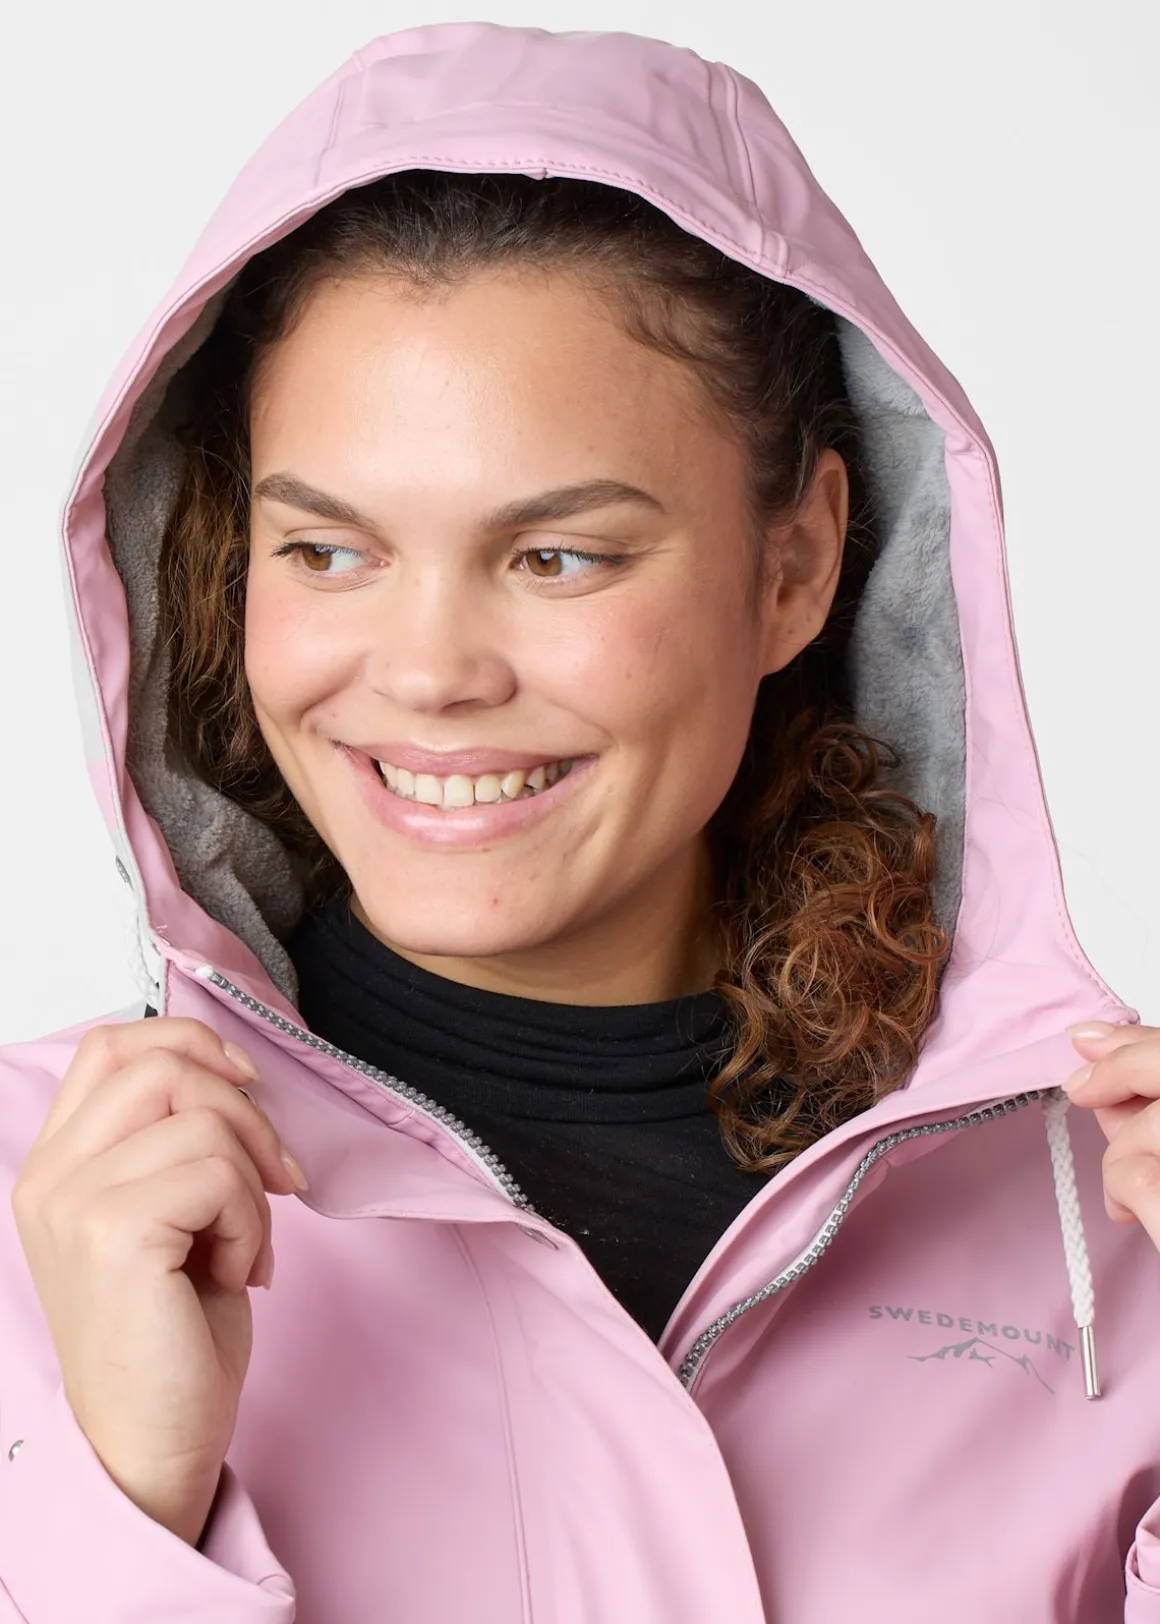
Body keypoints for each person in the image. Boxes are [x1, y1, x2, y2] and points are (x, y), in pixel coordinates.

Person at [1, 20, 1159, 1622]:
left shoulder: (1109, 1223)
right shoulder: (41, 1203)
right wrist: (127, 1507)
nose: (428, 673)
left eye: (558, 558)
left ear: (796, 565)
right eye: (328, 552)